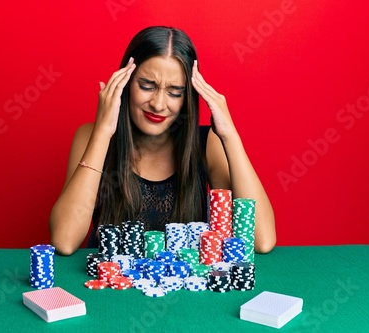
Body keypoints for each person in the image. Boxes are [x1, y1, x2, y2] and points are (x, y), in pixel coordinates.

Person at [49, 26, 276, 256]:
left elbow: (262, 241)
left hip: (183, 289)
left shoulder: (207, 143)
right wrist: (103, 132)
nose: (158, 104)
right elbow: (64, 240)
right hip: (110, 286)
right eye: (147, 86)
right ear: (125, 83)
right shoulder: (91, 136)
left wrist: (230, 135)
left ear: (187, 96)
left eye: (175, 92)